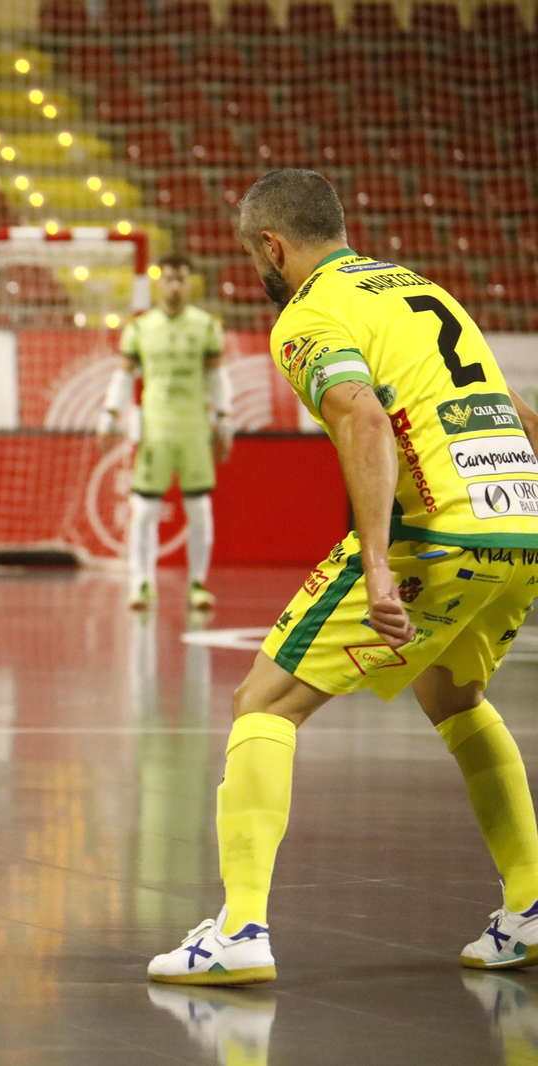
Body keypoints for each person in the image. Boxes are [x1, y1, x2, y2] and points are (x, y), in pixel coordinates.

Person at [149, 168, 538, 984]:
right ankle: (531, 908)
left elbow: (363, 416)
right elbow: (515, 410)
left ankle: (240, 929)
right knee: (453, 696)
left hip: (436, 532)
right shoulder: (417, 287)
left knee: (264, 702)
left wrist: (374, 563)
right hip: (520, 523)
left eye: (251, 256)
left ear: (271, 246)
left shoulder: (310, 314)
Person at [97, 253, 232, 612]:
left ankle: (198, 585)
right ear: (159, 282)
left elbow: (216, 375)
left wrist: (224, 418)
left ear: (189, 283)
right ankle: (141, 583)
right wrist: (109, 413)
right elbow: (125, 373)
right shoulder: (141, 327)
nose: (175, 285)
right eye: (169, 278)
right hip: (154, 429)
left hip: (194, 430)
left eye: (181, 279)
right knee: (143, 511)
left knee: (200, 509)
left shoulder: (205, 325)